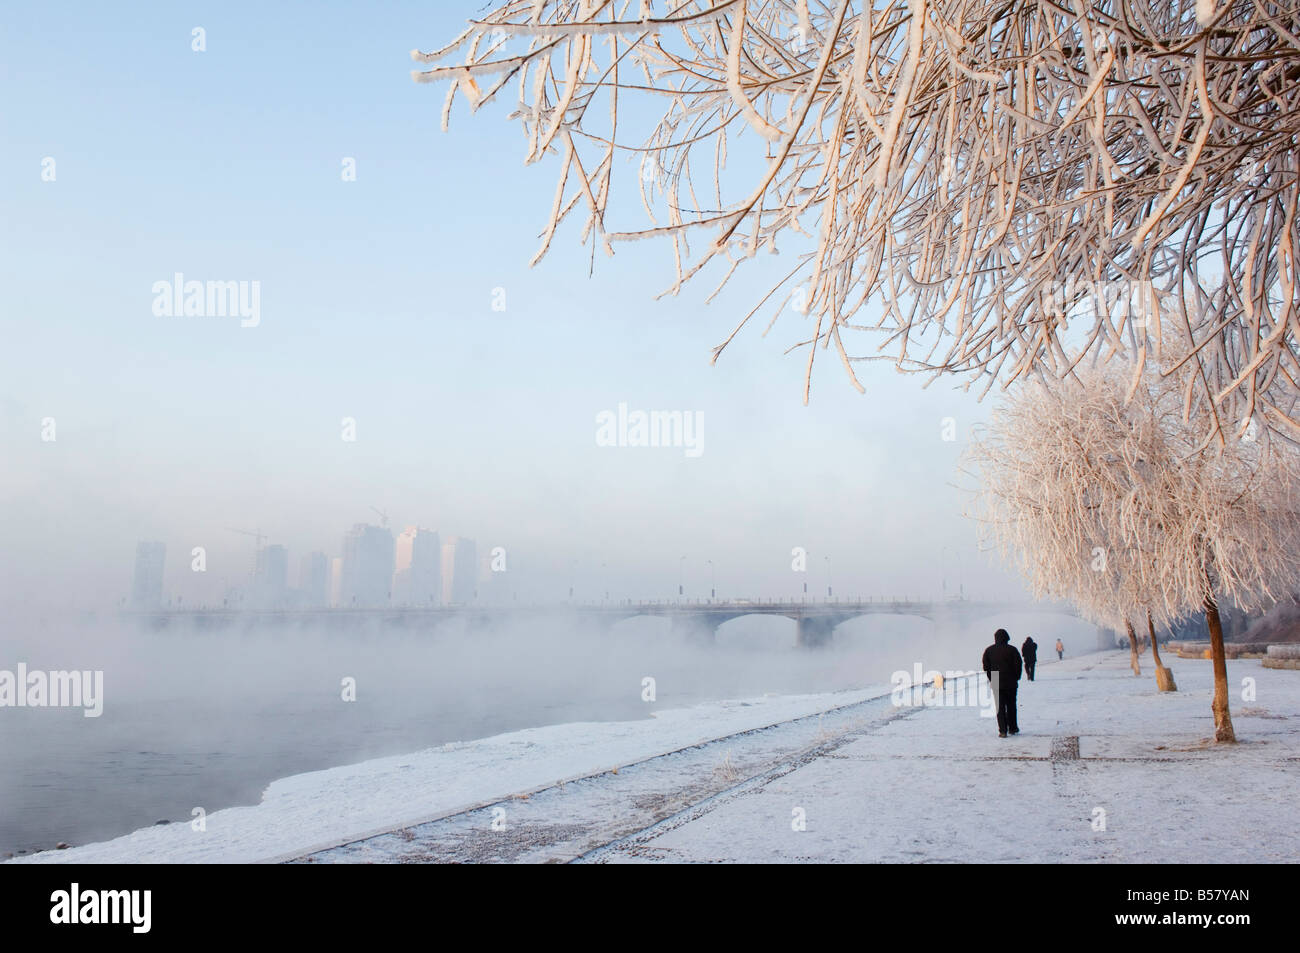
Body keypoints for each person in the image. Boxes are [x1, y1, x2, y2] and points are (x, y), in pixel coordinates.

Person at [982, 628, 1023, 738]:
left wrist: (992, 678)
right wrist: (1016, 677)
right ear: (1007, 638)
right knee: (1011, 706)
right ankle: (1013, 728)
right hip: (1010, 681)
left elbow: (986, 666)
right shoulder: (1012, 650)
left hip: (996, 680)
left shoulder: (989, 650)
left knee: (999, 708)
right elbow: (1018, 664)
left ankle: (1003, 730)